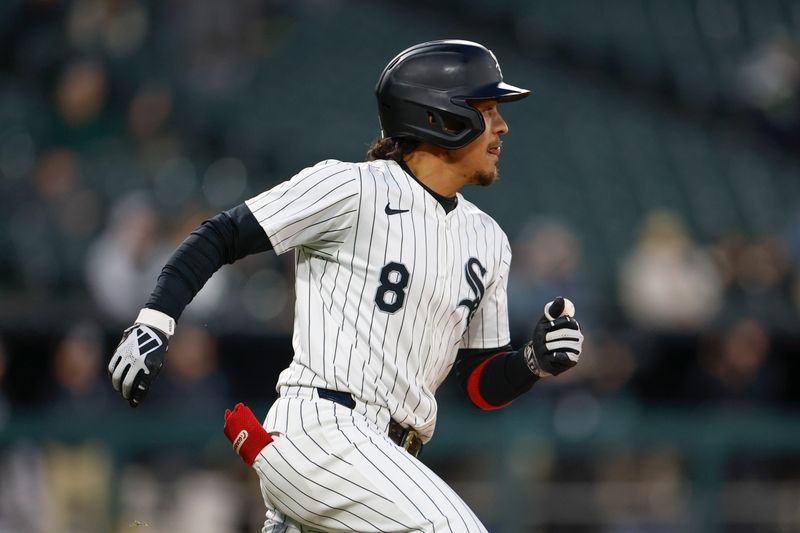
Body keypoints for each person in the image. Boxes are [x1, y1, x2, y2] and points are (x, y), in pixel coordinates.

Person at [108, 40, 585, 532]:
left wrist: (532, 363)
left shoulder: (489, 239)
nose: (502, 125)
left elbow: (477, 382)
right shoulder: (353, 188)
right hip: (325, 431)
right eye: (486, 110)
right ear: (440, 116)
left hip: (388, 459)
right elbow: (222, 234)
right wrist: (154, 322)